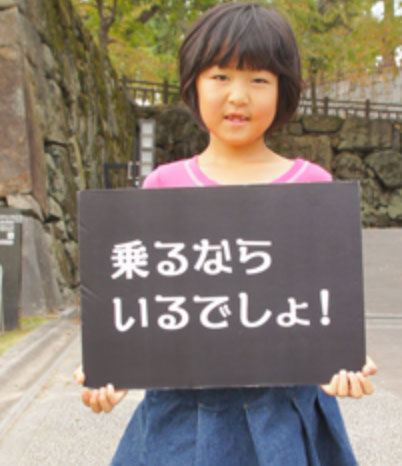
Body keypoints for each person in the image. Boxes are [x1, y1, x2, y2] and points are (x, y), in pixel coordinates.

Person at [74, 3, 377, 465]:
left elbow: (325, 308)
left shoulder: (312, 187)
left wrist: (344, 361)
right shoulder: (162, 188)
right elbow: (144, 308)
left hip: (287, 419)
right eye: (220, 76)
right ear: (194, 83)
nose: (238, 96)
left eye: (259, 79)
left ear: (283, 90)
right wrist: (112, 367)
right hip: (182, 423)